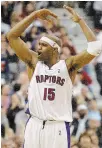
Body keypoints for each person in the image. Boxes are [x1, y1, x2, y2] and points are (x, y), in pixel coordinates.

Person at [6, 5, 102, 148]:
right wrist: (34, 15)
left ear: (54, 50)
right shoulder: (33, 61)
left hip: (57, 127)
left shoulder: (69, 65)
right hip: (34, 123)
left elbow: (95, 47)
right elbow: (12, 36)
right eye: (38, 44)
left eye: (43, 45)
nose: (38, 48)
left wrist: (81, 21)